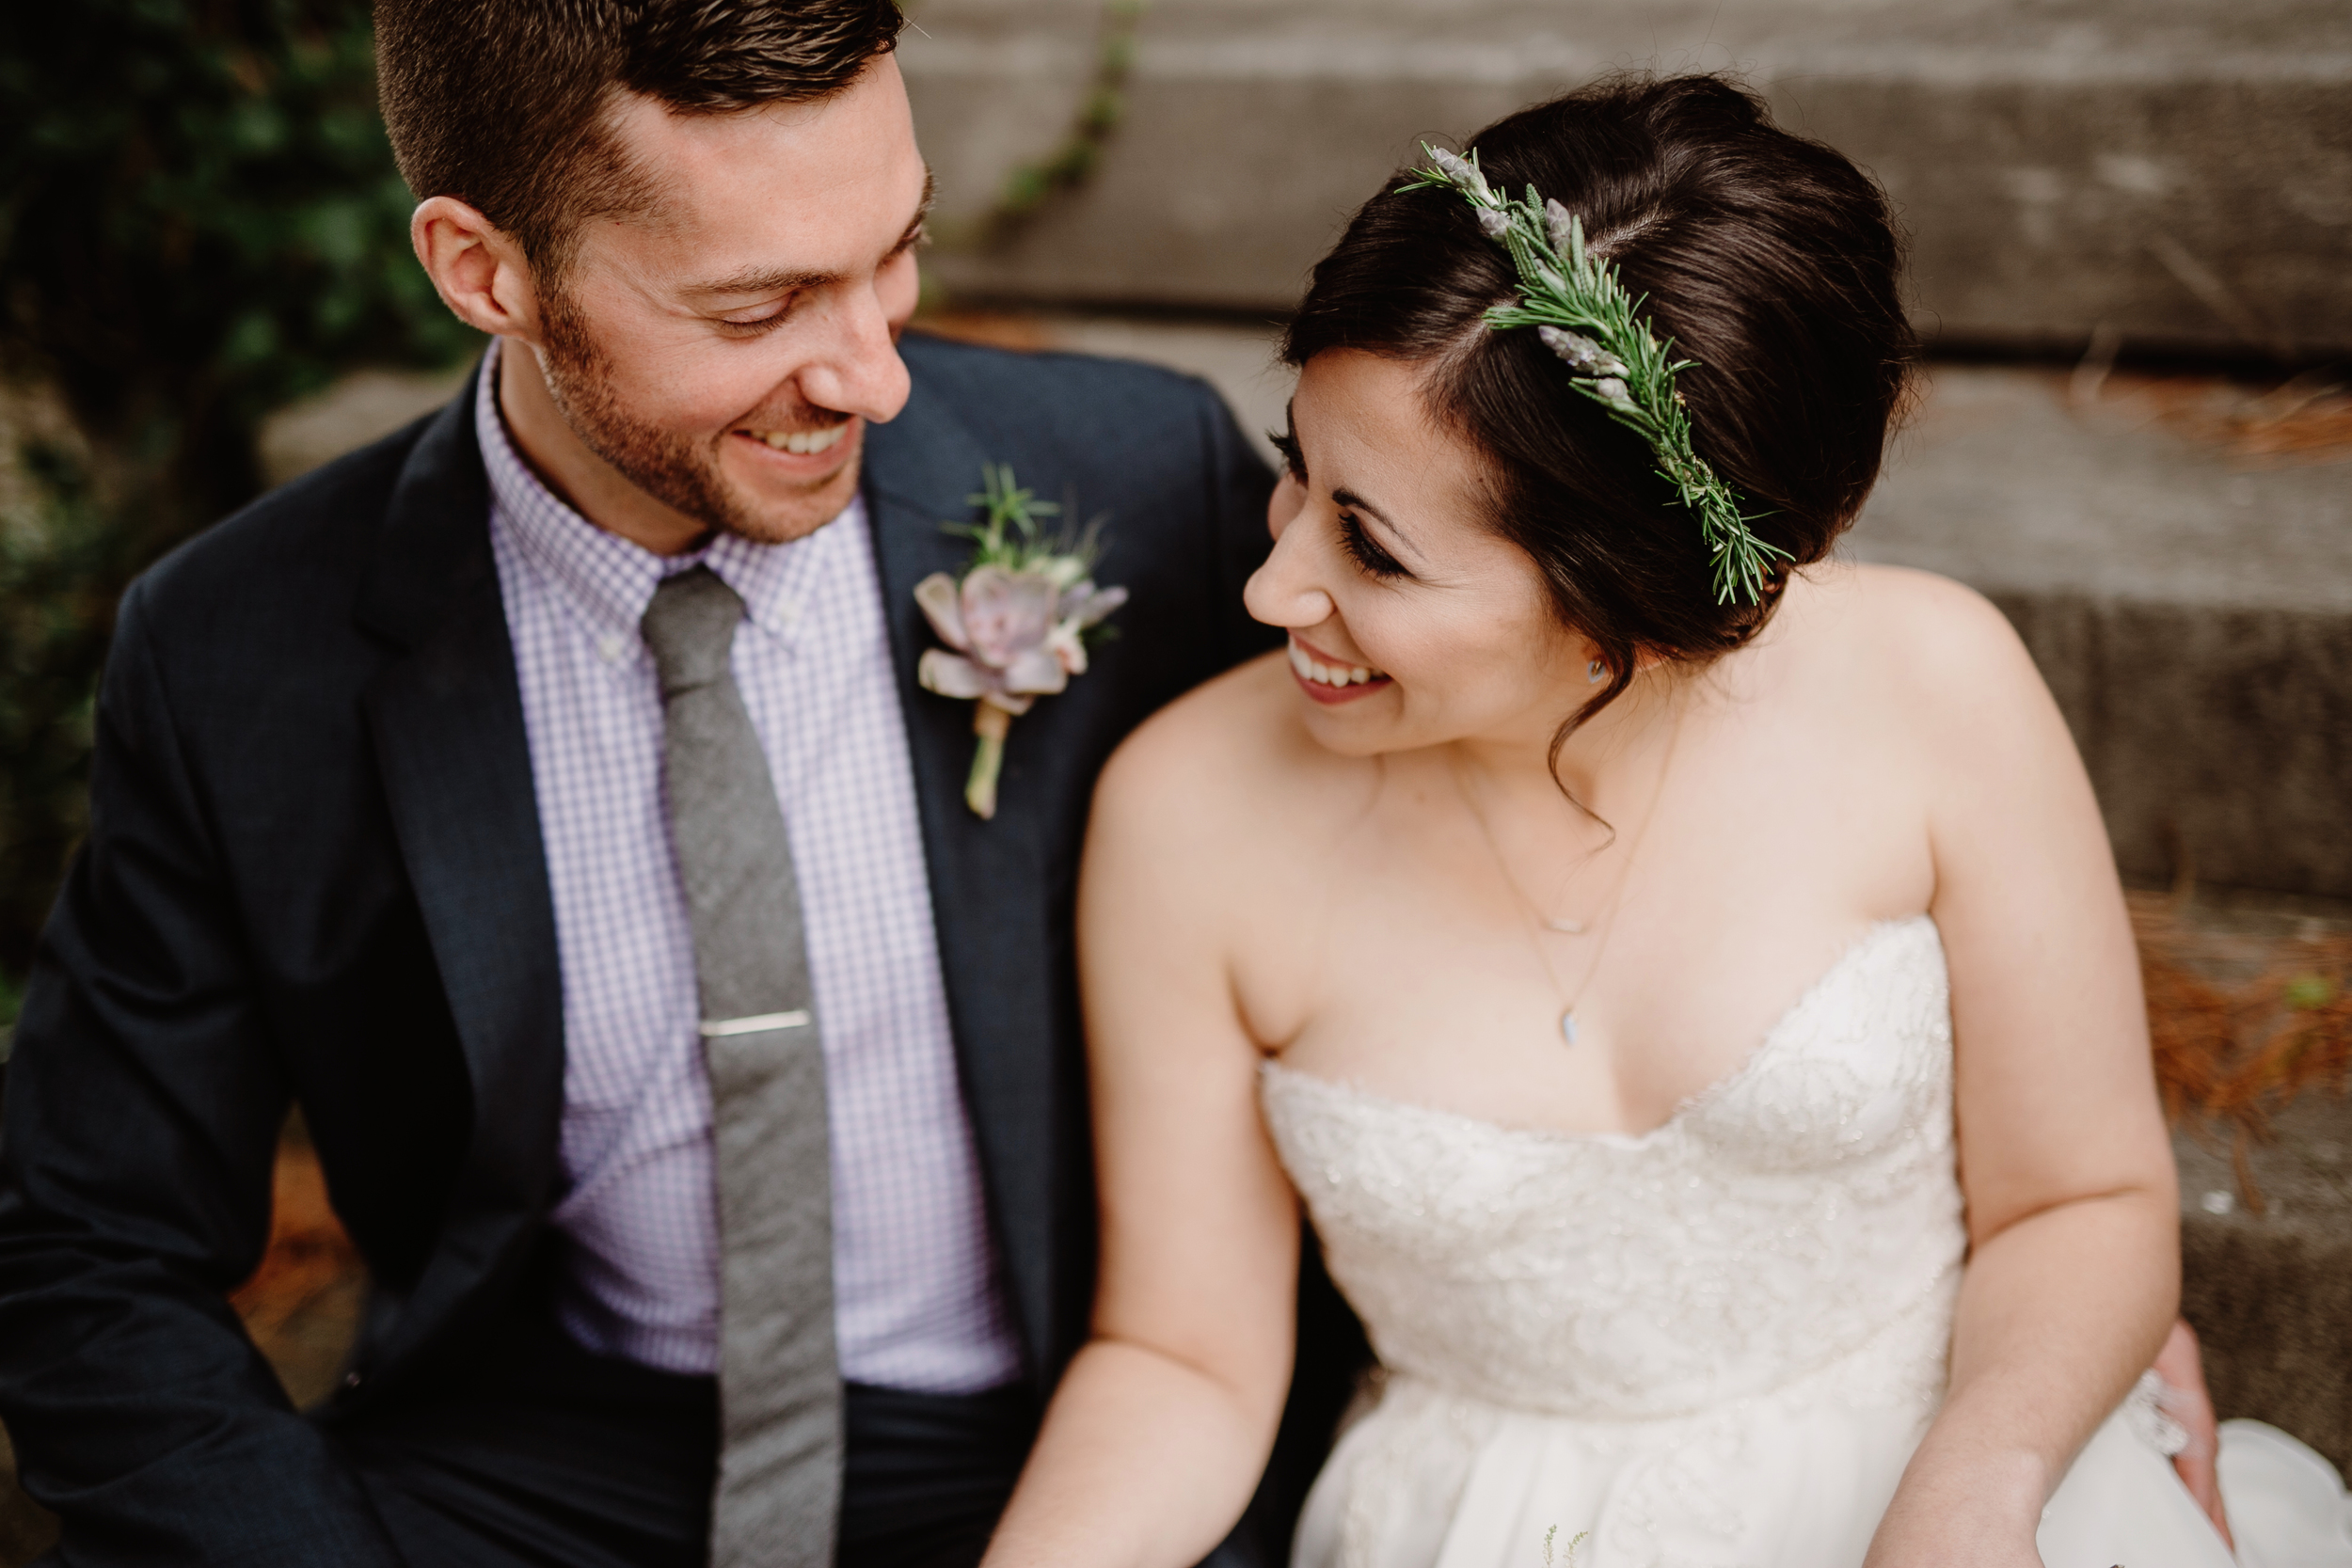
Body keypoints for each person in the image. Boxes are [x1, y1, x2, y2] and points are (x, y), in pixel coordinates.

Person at [0, 3, 1359, 1564]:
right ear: (481, 270)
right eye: (761, 305)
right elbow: (89, 1250)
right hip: (538, 1463)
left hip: (1071, 1434)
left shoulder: (1138, 481)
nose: (874, 372)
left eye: (893, 251)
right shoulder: (244, 648)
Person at [977, 76, 2352, 1568]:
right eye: (1294, 467)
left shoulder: (1935, 687)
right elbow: (1185, 1364)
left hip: (1960, 1456)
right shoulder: (1186, 813)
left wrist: (1984, 1487)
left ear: (1620, 609)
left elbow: (2081, 1194)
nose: (1273, 588)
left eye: (1371, 549)